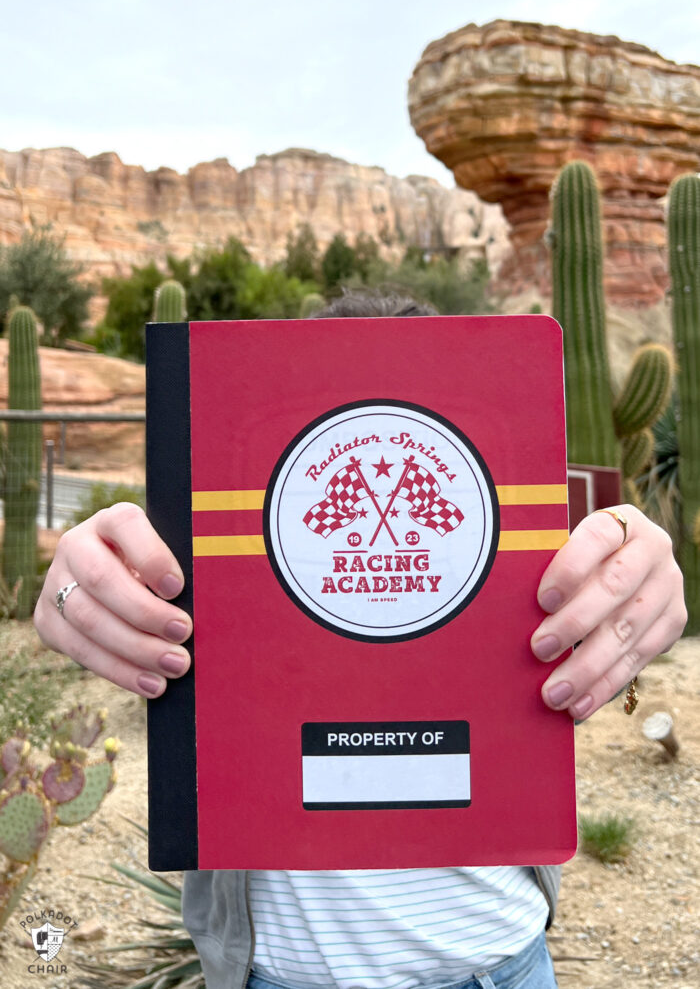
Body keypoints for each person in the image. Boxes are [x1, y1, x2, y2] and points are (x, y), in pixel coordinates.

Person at [34, 292, 687, 989]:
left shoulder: (516, 539)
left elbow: (587, 643)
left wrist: (640, 590)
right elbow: (128, 586)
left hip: (506, 967)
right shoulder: (213, 557)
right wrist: (84, 580)